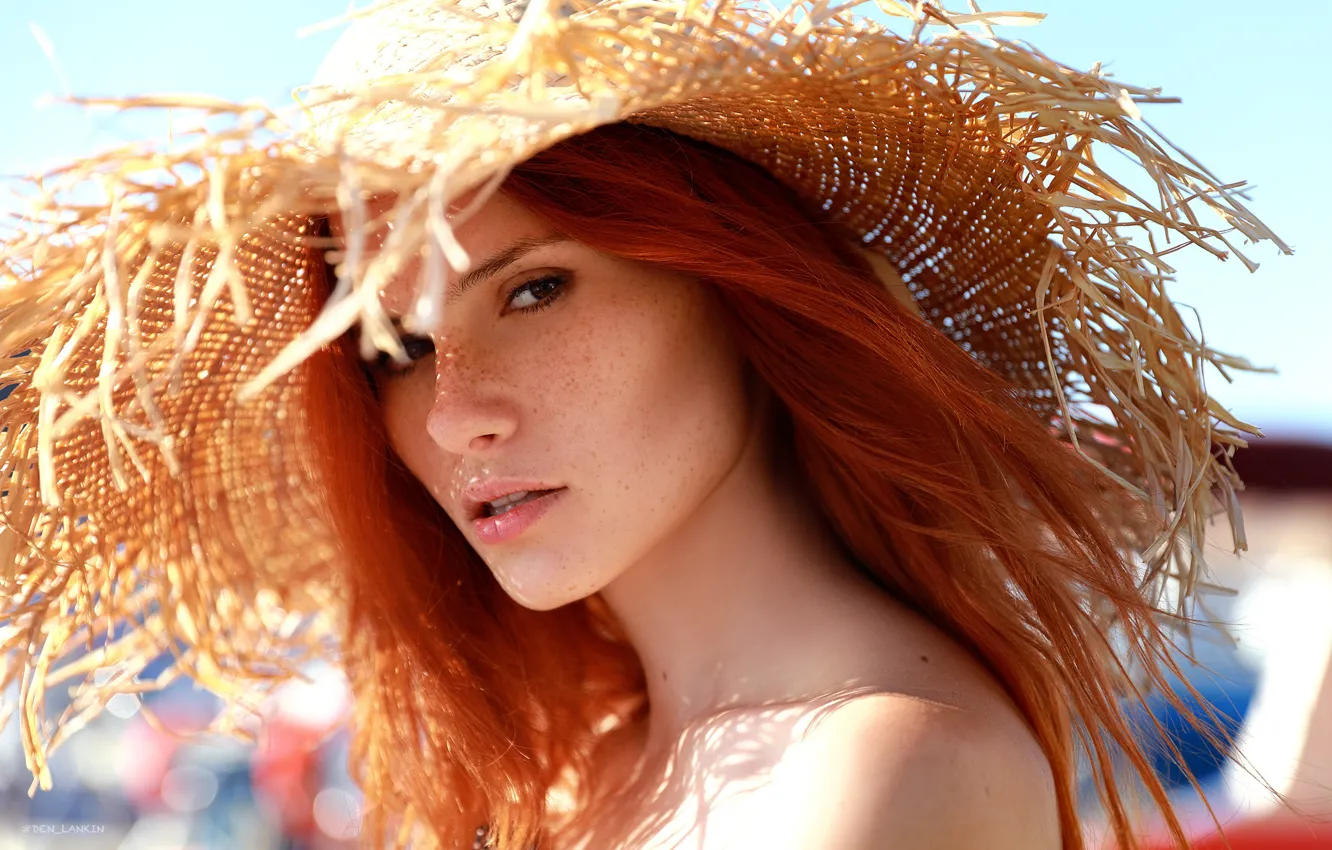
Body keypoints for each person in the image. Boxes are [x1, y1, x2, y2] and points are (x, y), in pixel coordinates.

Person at [0, 1, 1290, 848]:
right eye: (395, 348)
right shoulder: (589, 770)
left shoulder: (883, 773)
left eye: (533, 290)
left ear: (732, 282)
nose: (455, 414)